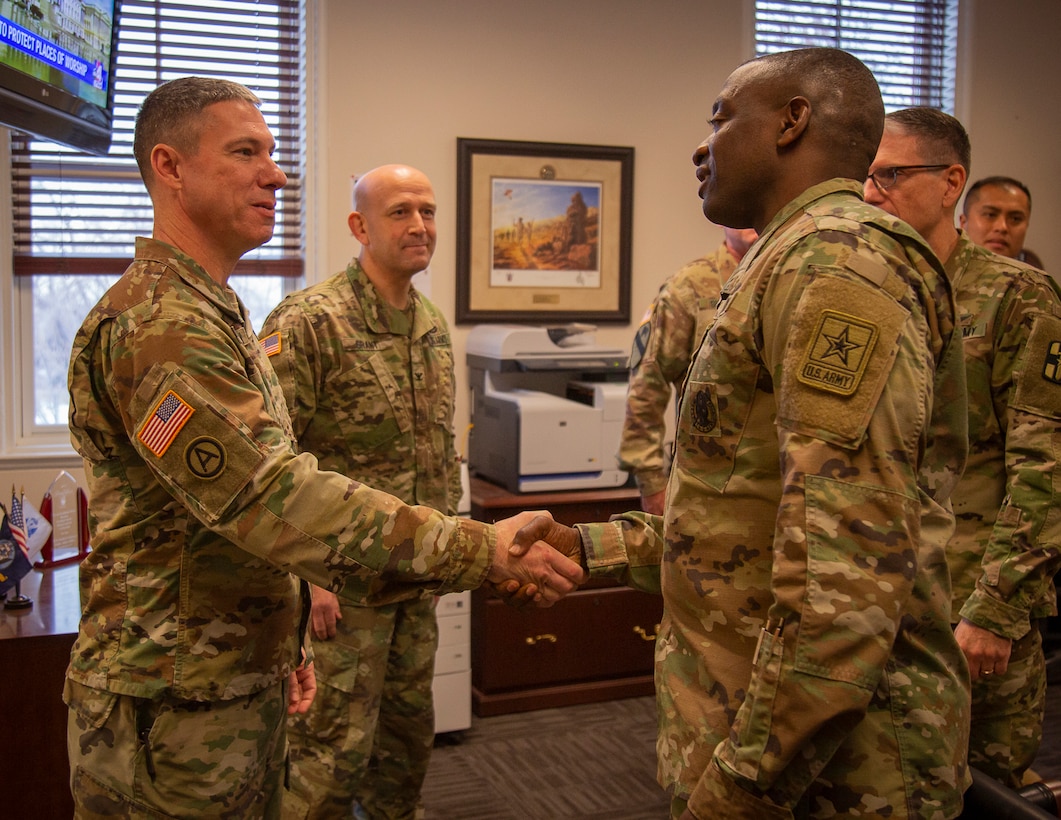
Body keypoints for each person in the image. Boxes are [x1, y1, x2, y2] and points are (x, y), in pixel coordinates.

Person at [64, 76, 583, 819]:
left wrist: (286, 644)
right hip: (173, 693)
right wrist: (479, 550)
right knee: (327, 780)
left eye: (273, 154)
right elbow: (270, 494)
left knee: (389, 758)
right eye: (246, 152)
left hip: (236, 667)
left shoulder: (213, 312)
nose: (275, 174)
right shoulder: (160, 327)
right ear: (170, 167)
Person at [513, 47, 972, 819]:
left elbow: (846, 575)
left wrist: (745, 784)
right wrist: (588, 546)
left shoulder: (838, 263)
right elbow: (740, 516)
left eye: (720, 118)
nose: (701, 145)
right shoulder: (784, 259)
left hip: (835, 776)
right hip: (756, 733)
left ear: (792, 121)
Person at [863, 107, 1061, 788]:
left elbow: (1044, 465)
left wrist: (997, 609)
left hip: (970, 600)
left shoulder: (1017, 297)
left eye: (888, 174)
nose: (869, 192)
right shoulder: (866, 288)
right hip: (875, 599)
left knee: (982, 788)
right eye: (863, 176)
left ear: (950, 184)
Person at [260, 164, 454, 819]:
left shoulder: (429, 324)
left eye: (427, 211)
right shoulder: (309, 321)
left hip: (413, 582)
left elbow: (433, 455)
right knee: (327, 762)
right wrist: (307, 578)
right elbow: (273, 466)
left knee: (404, 750)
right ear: (359, 226)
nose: (420, 226)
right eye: (400, 212)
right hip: (339, 592)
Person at [618, 226, 757, 514]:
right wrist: (652, 483)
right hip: (707, 489)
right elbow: (646, 388)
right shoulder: (689, 287)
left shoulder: (797, 275)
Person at [960, 175, 1044, 267]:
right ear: (963, 223)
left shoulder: (1035, 279)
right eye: (990, 215)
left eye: (1015, 219)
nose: (1002, 227)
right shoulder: (944, 276)